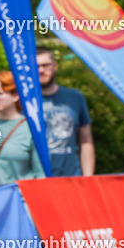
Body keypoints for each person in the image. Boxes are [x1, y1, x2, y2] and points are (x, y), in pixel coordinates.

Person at [36, 46, 95, 177]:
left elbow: (86, 141)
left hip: (70, 178)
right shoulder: (24, 101)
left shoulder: (75, 97)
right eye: (36, 66)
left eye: (45, 65)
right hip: (35, 181)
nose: (41, 70)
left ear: (55, 66)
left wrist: (88, 177)